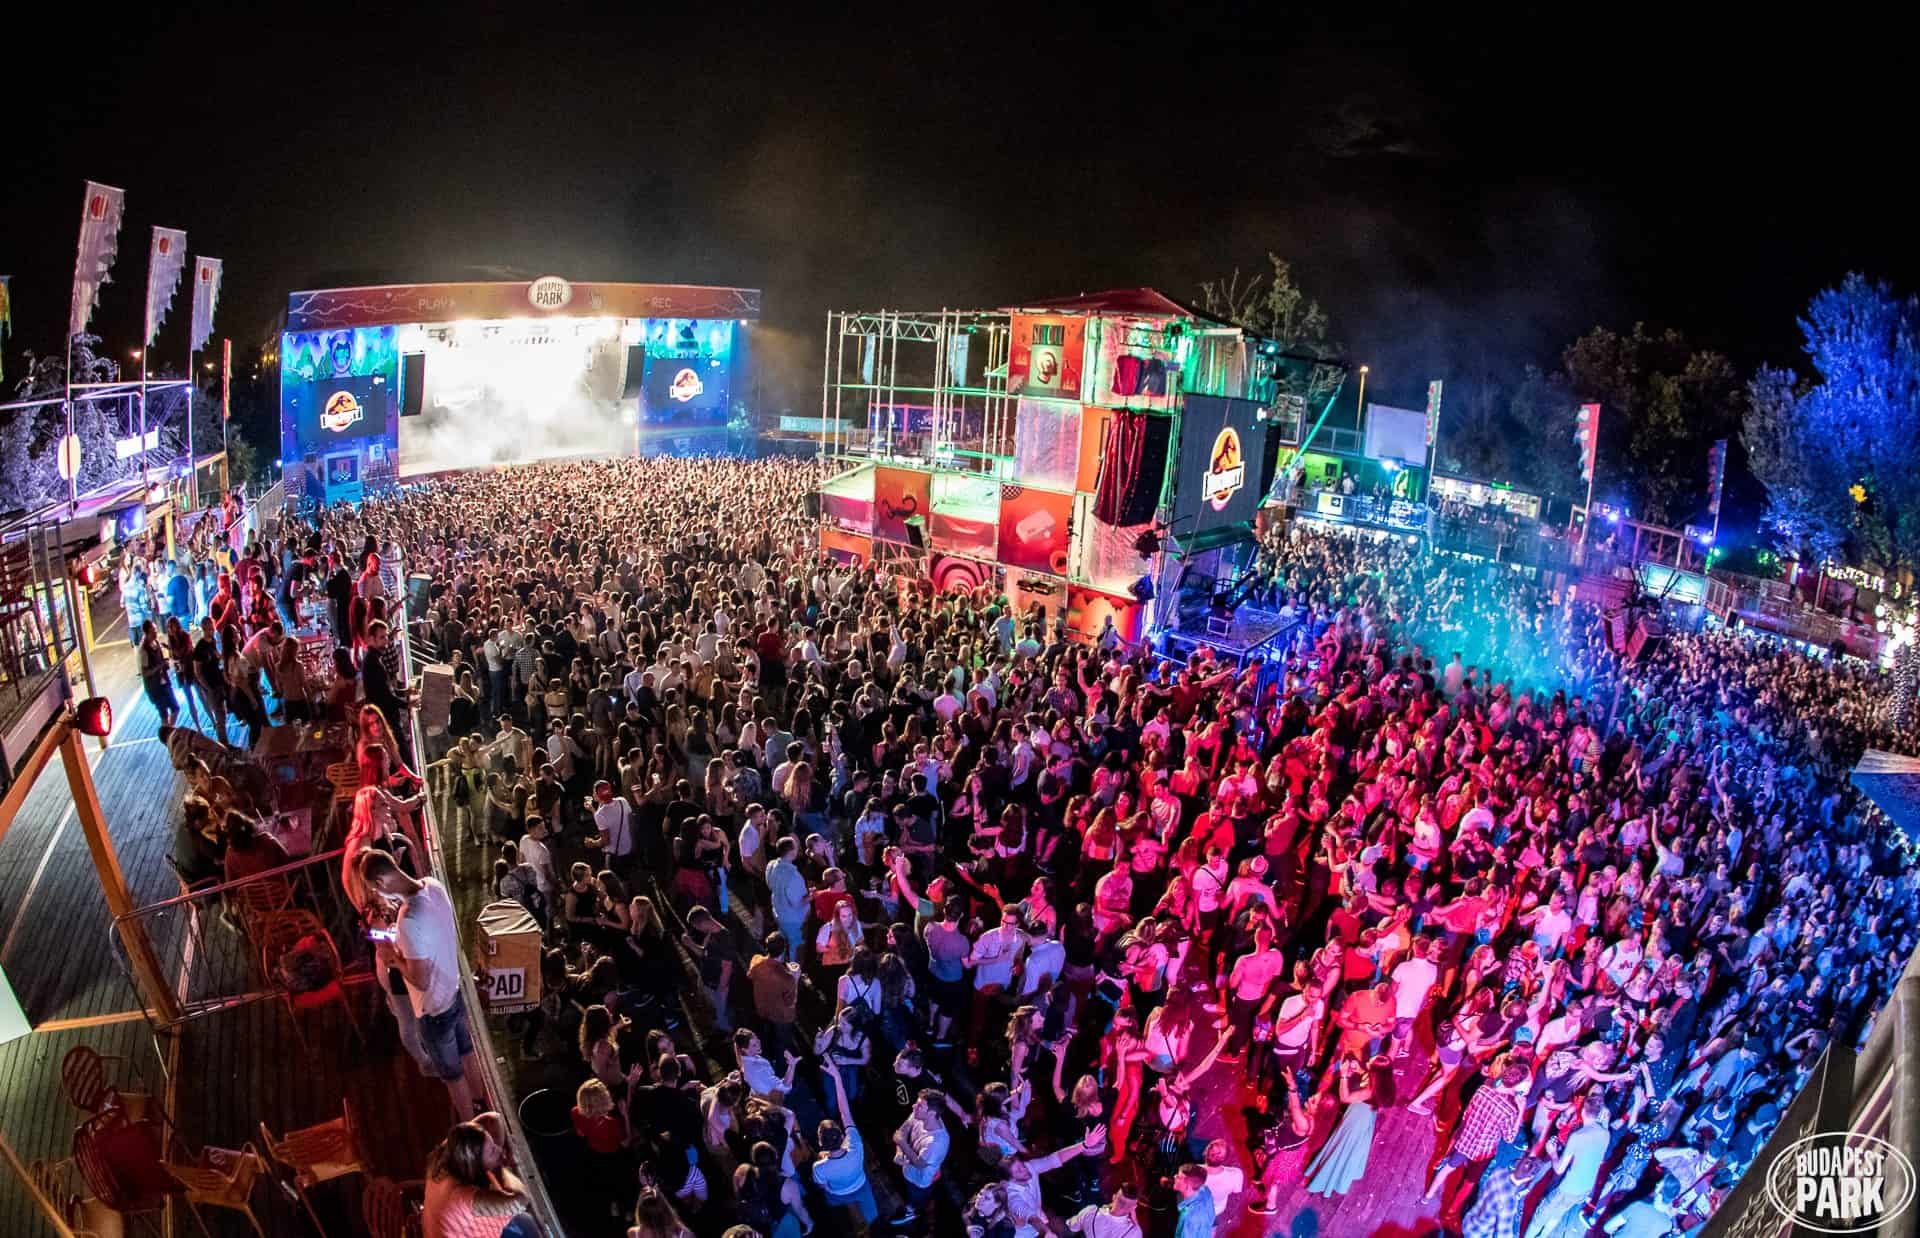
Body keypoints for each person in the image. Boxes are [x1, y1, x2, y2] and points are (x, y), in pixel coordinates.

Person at [362, 849, 487, 1117]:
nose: (378, 895)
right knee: (467, 1052)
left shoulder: (408, 920)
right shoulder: (433, 885)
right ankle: (481, 1103)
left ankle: (471, 1125)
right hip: (454, 992)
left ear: (381, 882)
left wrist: (393, 958)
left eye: (375, 889)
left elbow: (420, 979)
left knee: (452, 1075)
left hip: (434, 1011)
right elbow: (429, 937)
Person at [422, 1113, 541, 1238]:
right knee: (527, 1222)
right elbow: (520, 1201)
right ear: (475, 1163)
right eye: (492, 1151)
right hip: (456, 1229)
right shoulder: (463, 1198)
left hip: (437, 1228)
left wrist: (495, 1151)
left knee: (524, 1221)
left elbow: (493, 1117)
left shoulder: (446, 1153)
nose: (499, 1150)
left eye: (493, 1144)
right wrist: (504, 1166)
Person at [1303, 1054, 1394, 1197]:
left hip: (1356, 1121)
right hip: (1364, 1117)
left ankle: (1324, 1180)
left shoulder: (1368, 1091)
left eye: (1370, 1062)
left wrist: (1344, 1075)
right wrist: (1360, 1071)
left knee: (1340, 1148)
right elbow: (1368, 1077)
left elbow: (1345, 1098)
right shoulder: (1383, 1080)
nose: (1368, 1061)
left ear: (1375, 1072)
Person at [1523, 1093, 1612, 1238]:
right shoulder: (1605, 1134)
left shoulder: (1578, 1136)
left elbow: (1559, 1169)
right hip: (1585, 1188)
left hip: (1568, 1187)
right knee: (1557, 1214)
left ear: (1583, 1111)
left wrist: (1552, 1152)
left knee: (1541, 1215)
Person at [812, 1058, 879, 1226]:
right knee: (874, 1218)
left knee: (839, 1213)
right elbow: (845, 1113)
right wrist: (837, 1077)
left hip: (837, 1194)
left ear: (820, 1143)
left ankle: (850, 1223)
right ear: (842, 1136)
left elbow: (822, 1186)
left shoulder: (819, 1167)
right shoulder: (854, 1144)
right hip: (861, 1186)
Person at [892, 1088, 951, 1225]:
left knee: (916, 1200)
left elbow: (920, 1164)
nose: (914, 1106)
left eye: (919, 1106)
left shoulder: (937, 1142)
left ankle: (913, 1213)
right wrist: (899, 1151)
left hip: (919, 1181)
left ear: (931, 1113)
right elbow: (904, 1129)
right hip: (908, 1171)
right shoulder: (918, 1115)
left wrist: (902, 1144)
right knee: (908, 1193)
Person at [1171, 1164, 1214, 1238]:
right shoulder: (1204, 1190)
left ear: (1187, 1185)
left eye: (1179, 1177)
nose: (1175, 1176)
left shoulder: (1188, 1217)